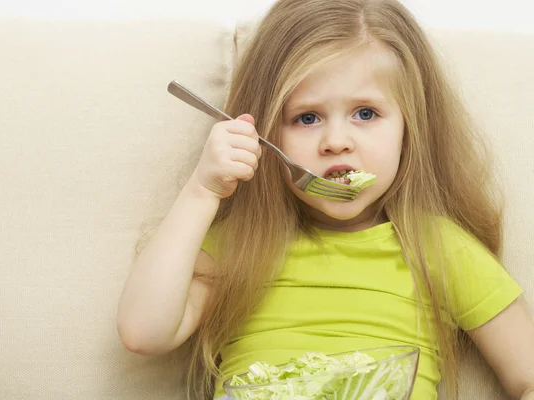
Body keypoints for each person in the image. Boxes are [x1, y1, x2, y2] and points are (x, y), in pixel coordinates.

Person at [116, 0, 534, 398]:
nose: (336, 142)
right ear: (266, 135)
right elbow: (143, 332)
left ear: (411, 129)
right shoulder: (242, 244)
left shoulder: (441, 249)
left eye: (365, 113)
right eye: (307, 118)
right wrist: (202, 191)